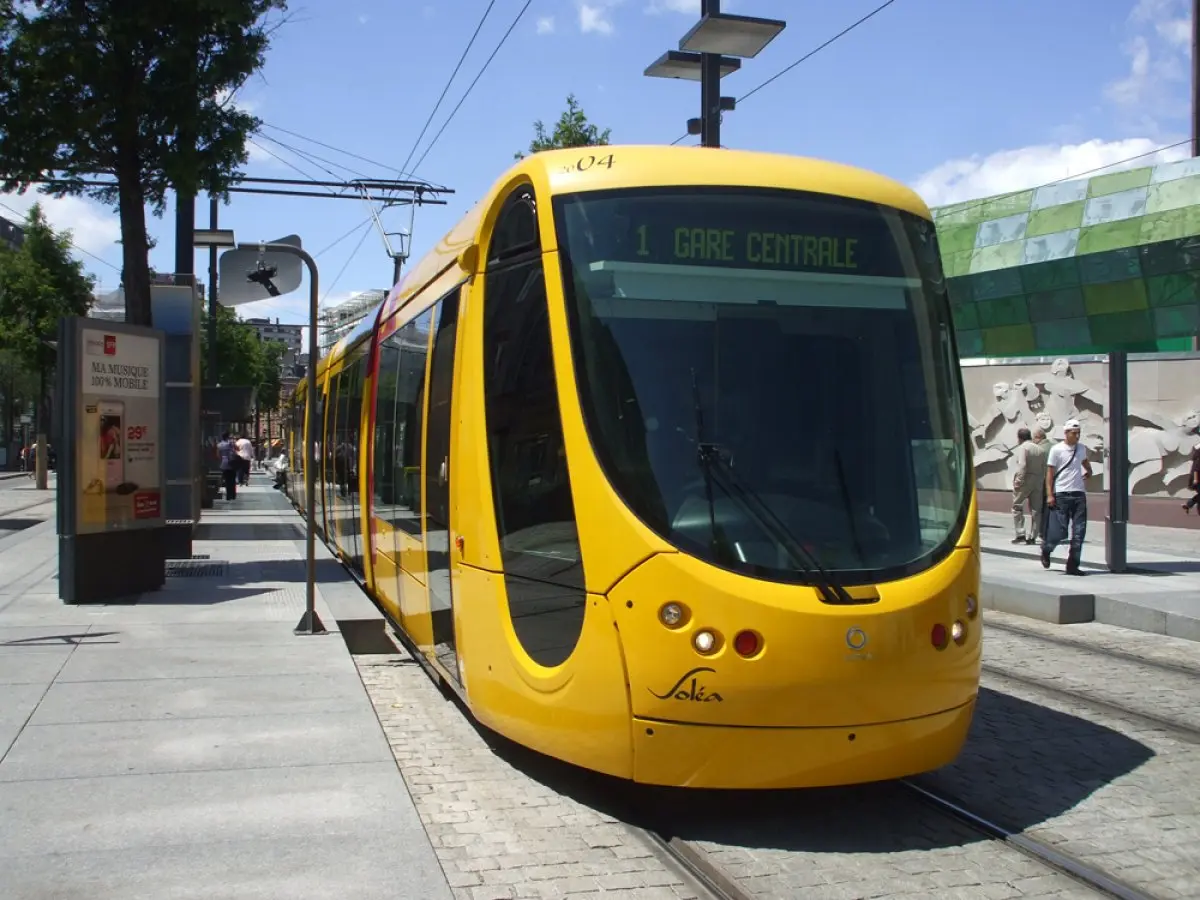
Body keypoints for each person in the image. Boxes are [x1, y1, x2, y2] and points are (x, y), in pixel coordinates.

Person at [1042, 418, 1092, 575]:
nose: (1077, 436)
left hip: (1079, 494)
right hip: (1062, 494)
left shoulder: (1082, 448)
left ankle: (1072, 566)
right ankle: (1047, 549)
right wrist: (1050, 495)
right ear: (1066, 433)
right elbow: (1049, 474)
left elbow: (1085, 462)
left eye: (1078, 433)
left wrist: (1089, 471)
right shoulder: (1057, 450)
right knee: (1060, 531)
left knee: (1079, 532)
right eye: (1073, 433)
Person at [1010, 426, 1047, 545]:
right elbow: (1044, 467)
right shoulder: (1040, 449)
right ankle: (1034, 536)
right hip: (1038, 480)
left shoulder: (1023, 448)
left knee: (1017, 506)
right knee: (1036, 509)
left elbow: (1022, 465)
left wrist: (1018, 480)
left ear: (1019, 438)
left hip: (1026, 479)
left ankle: (1020, 534)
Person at [217, 432, 237, 500]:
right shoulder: (229, 444)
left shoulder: (219, 445)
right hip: (231, 464)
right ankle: (233, 495)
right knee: (232, 480)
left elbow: (218, 455)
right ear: (227, 437)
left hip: (223, 464)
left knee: (227, 480)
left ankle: (228, 496)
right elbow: (234, 452)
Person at [1184, 443, 1200, 514]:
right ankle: (1189, 504)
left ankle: (1189, 504)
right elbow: (1196, 469)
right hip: (1198, 479)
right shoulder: (1198, 459)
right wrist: (1196, 480)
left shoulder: (1196, 458)